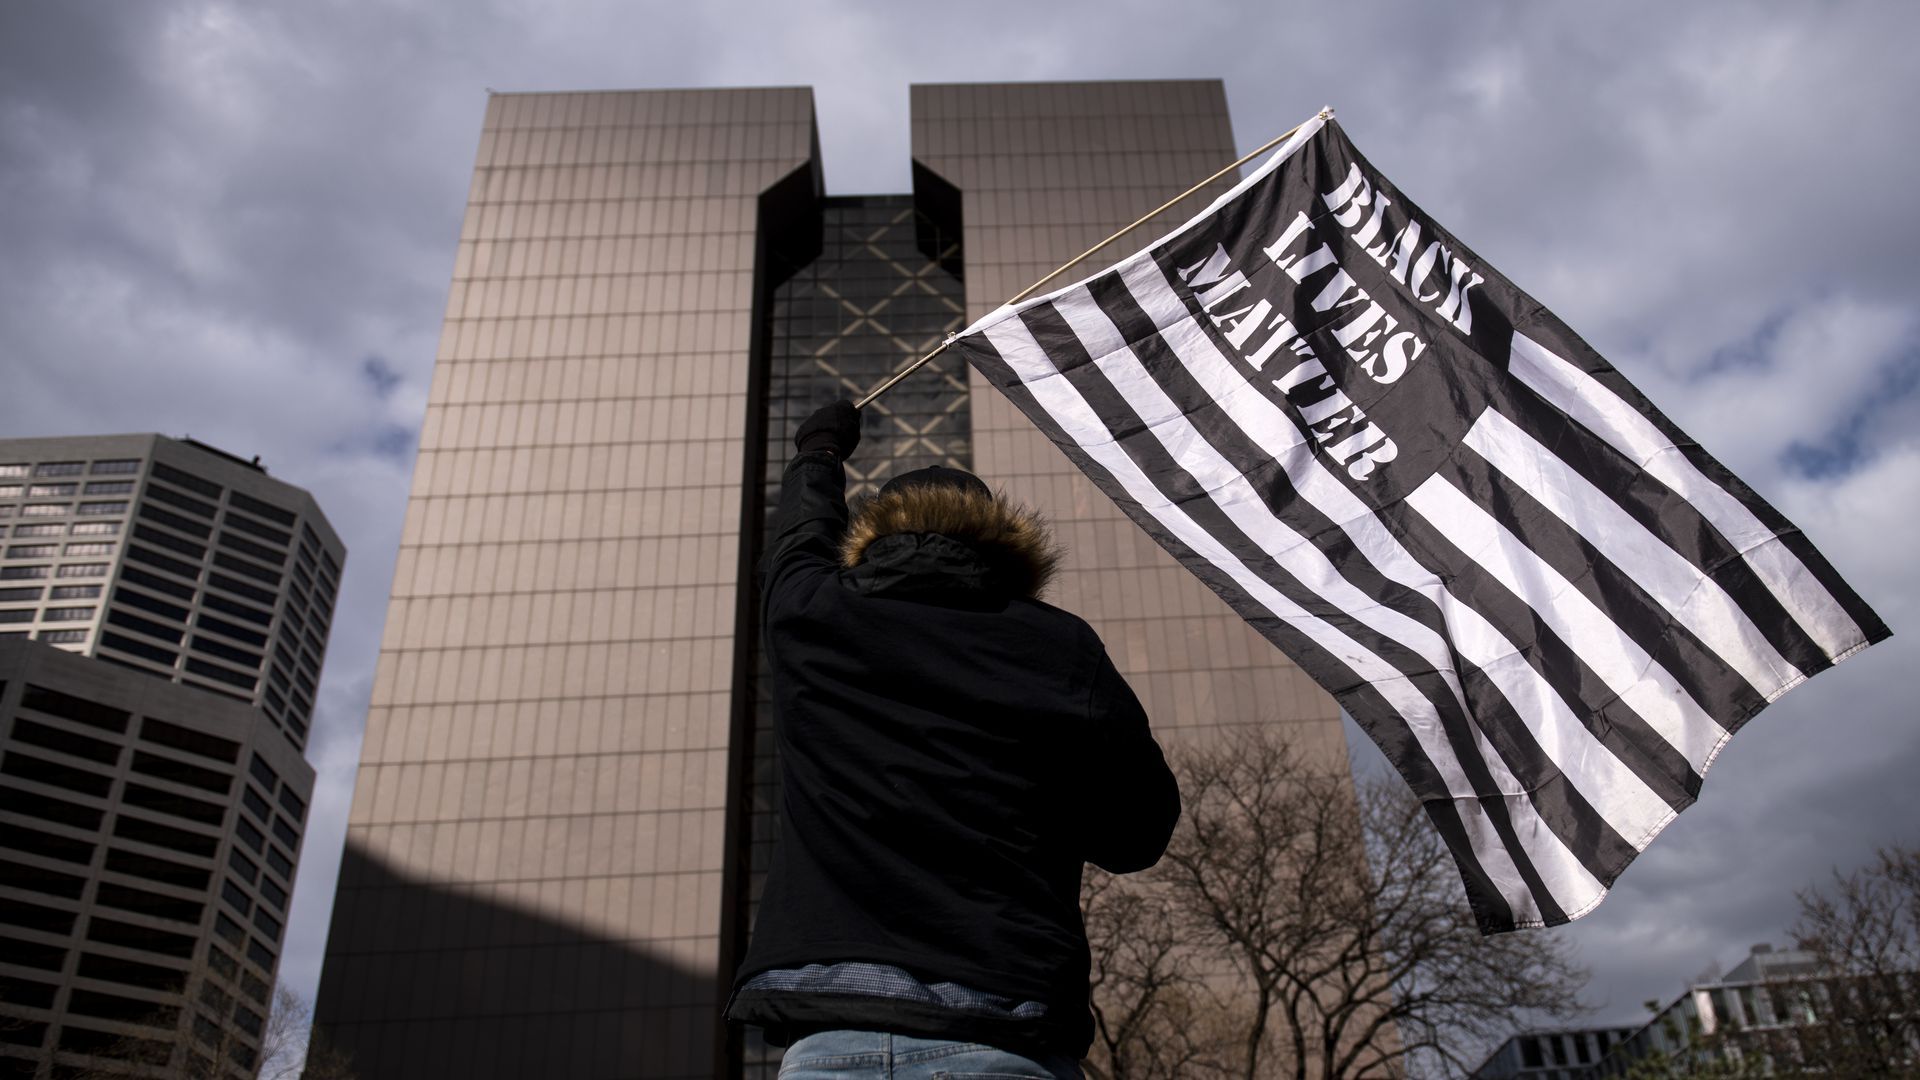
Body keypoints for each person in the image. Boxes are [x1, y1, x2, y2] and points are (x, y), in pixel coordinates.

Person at [723, 400, 1181, 1079]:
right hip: (1001, 1028)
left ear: (871, 536)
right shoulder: (1058, 645)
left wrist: (819, 452)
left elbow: (796, 541)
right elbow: (1137, 833)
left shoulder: (813, 612)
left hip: (829, 1043)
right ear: (1000, 539)